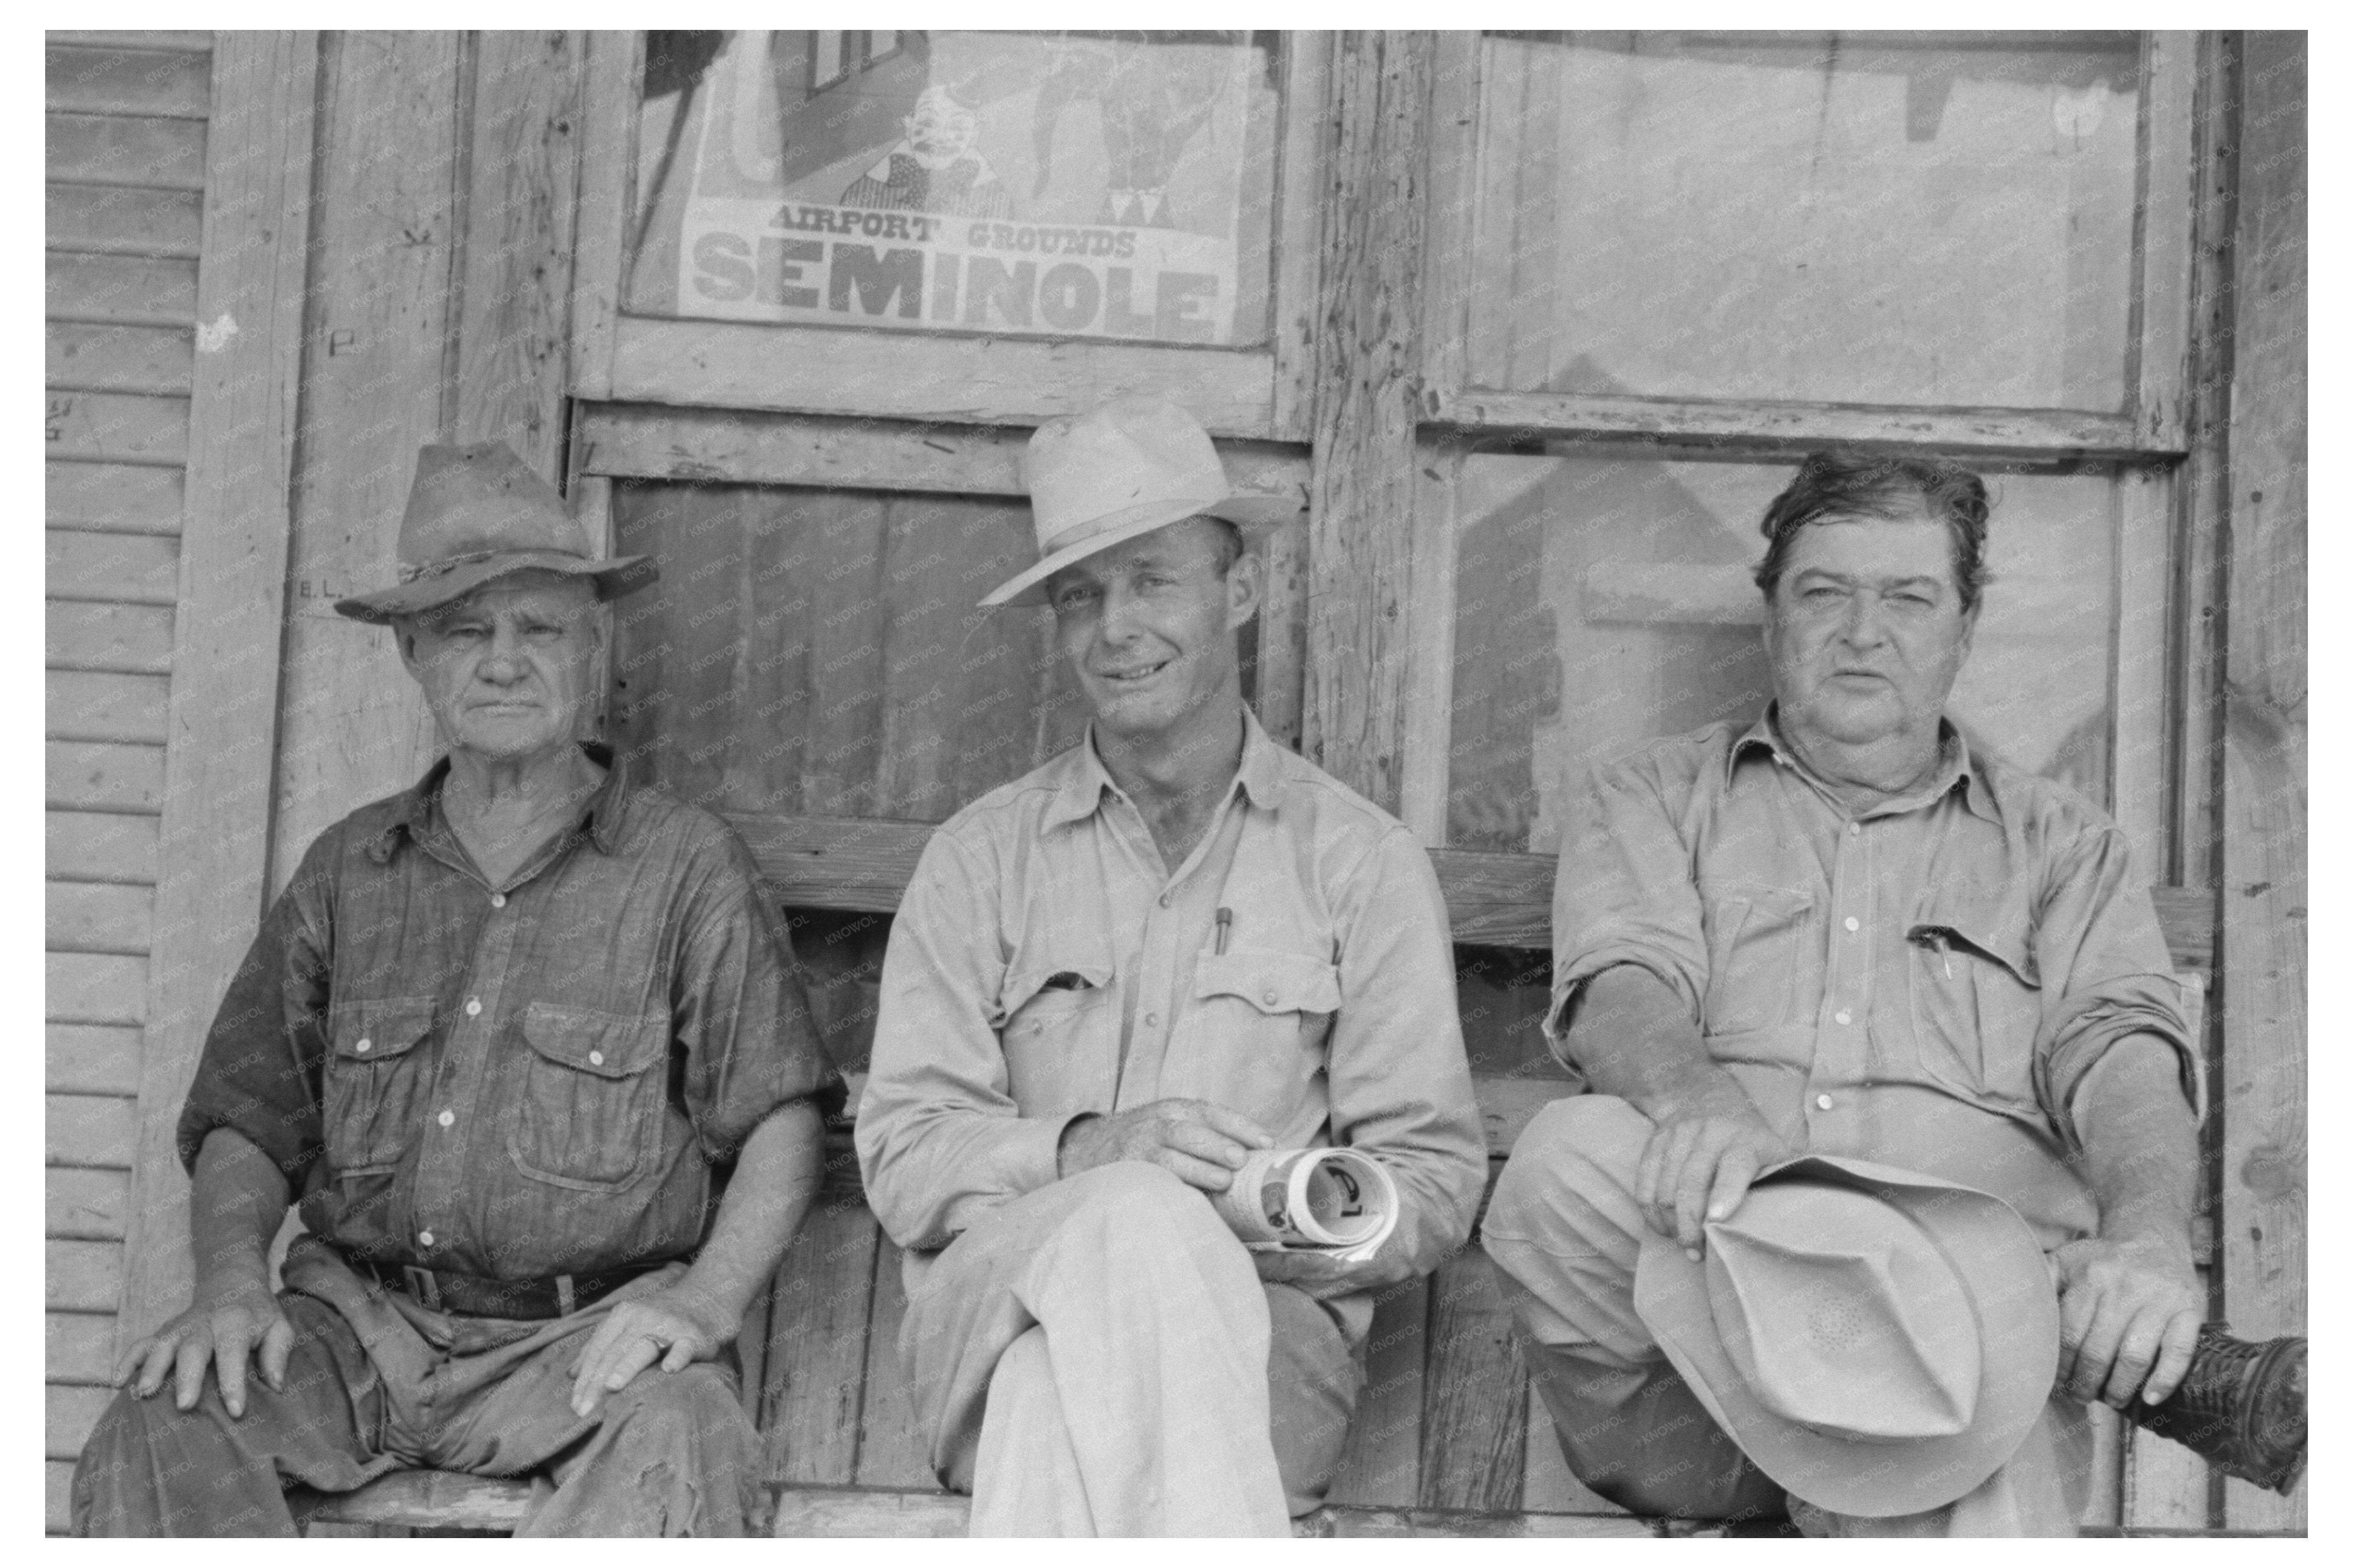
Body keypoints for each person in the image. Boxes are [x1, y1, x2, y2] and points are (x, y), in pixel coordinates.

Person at [1481, 451, 2304, 1535]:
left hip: (1955, 1406)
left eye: (1907, 597)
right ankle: (2013, 1322)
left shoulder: (2065, 847)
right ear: (1770, 613)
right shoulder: (1653, 796)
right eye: (1823, 592)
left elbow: (2123, 1059)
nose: (1861, 631)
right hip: (1701, 1376)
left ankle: (1944, 1356)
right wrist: (1700, 1105)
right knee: (1566, 1161)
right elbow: (1621, 985)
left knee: (1964, 1426)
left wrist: (2148, 1241)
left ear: (1963, 628)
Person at [73, 442, 836, 1537]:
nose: (504, 662)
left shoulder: (685, 868)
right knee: (171, 1415)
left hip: (579, 1348)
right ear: (412, 655)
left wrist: (704, 1301)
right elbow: (251, 1116)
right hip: (352, 1333)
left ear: (593, 647)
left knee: (684, 1432)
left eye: (541, 629)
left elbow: (778, 1119)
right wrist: (232, 1286)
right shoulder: (350, 870)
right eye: (467, 631)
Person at [855, 395, 1488, 1536]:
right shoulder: (980, 860)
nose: (1115, 627)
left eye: (1152, 580)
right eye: (1081, 595)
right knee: (1131, 1211)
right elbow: (903, 1158)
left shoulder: (1359, 862)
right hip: (988, 1327)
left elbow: (1433, 1181)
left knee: (1074, 1376)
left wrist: (1266, 1218)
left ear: (1237, 593)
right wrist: (1095, 1158)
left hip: (1256, 1345)